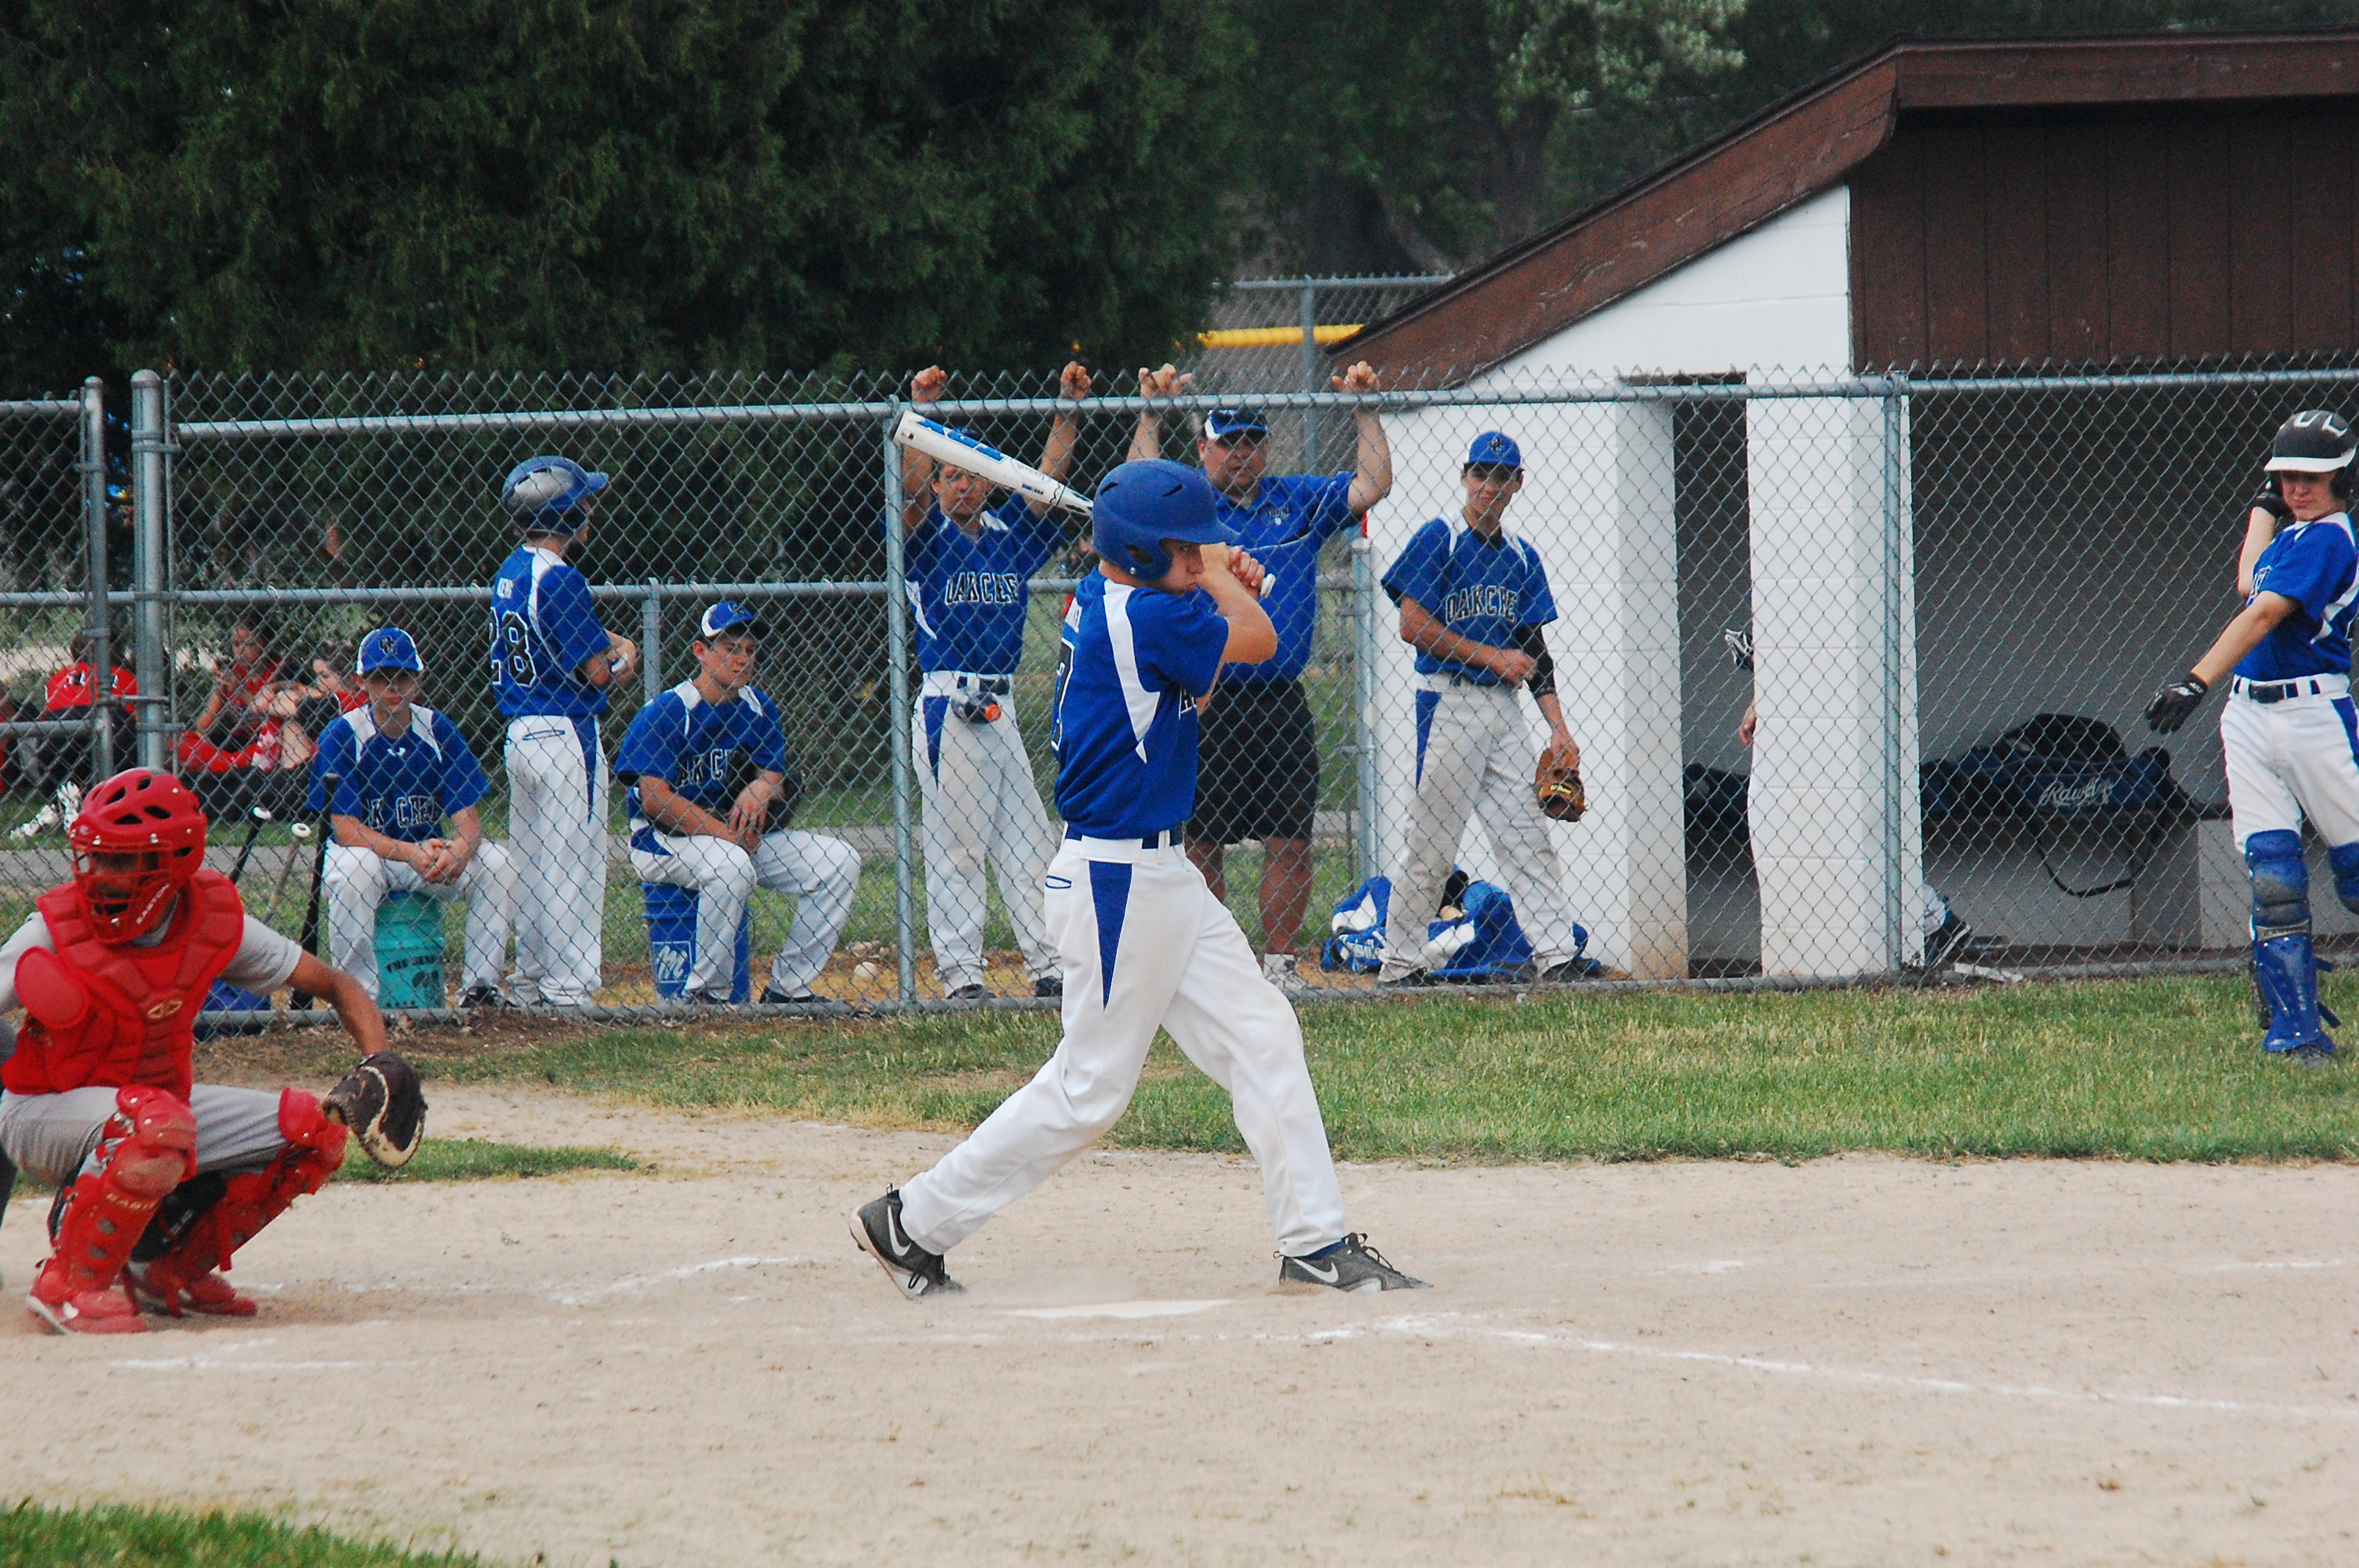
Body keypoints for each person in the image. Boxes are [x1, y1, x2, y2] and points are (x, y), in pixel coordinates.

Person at [849, 459, 1425, 1298]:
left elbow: (1199, 683)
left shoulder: (1111, 594)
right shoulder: (1149, 612)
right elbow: (1260, 641)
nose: (1197, 557)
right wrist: (1222, 578)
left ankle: (1314, 1241)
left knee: (1263, 1034)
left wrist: (1211, 577)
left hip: (1164, 877)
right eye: (1183, 548)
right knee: (1089, 1089)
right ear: (1142, 554)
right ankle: (912, 1220)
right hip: (1118, 881)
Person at [0, 768, 393, 1333]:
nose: (99, 875)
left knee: (312, 1131)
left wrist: (382, 1064)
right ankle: (70, 1285)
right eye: (95, 858)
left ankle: (165, 1270)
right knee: (156, 1123)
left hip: (153, 1112)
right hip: (45, 1114)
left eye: (119, 861)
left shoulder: (209, 919)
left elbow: (337, 985)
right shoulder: (55, 928)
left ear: (172, 863)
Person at [1129, 361, 1394, 991]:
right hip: (1207, 697)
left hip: (1280, 699)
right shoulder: (1191, 507)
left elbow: (1372, 485)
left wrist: (1365, 408)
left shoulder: (1295, 500)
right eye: (1228, 441)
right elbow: (1137, 492)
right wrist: (1150, 415)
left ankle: (1278, 966)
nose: (1241, 452)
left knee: (1290, 839)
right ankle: (1215, 969)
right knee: (1201, 843)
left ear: (1267, 447)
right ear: (1204, 449)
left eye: (1252, 440)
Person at [2146, 408, 2359, 1067]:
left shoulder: (2330, 541)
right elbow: (2249, 582)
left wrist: (2195, 681)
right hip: (2249, 714)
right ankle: (2296, 1032)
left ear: (2343, 480)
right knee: (2273, 875)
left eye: (2312, 478)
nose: (2298, 488)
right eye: (2287, 477)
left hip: (2314, 718)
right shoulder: (2295, 536)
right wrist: (2263, 509)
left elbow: (2263, 613)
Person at [898, 362, 1090, 1000]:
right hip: (948, 700)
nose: (963, 485)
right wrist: (923, 418)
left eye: (972, 475)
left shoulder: (1009, 536)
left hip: (1000, 703)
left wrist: (1066, 407)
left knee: (1029, 840)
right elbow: (911, 494)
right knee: (958, 846)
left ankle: (1049, 966)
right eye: (952, 475)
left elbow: (1047, 484)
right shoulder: (927, 538)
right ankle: (962, 975)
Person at [1375, 431, 1595, 987]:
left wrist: (1559, 728)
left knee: (1527, 835)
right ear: (1464, 477)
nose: (1489, 486)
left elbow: (1534, 650)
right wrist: (1492, 657)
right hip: (1448, 701)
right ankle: (1400, 964)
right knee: (1432, 843)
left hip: (1505, 710)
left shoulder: (1521, 556)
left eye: (1501, 476)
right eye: (1480, 474)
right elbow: (1412, 626)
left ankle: (1556, 955)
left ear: (1518, 483)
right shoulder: (1440, 538)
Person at [614, 601, 860, 1007]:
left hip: (735, 841)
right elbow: (655, 800)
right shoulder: (667, 712)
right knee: (731, 867)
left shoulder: (758, 708)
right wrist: (727, 837)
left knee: (839, 861)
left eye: (749, 650)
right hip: (662, 842)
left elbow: (775, 775)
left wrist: (762, 787)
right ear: (701, 652)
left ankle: (788, 989)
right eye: (730, 648)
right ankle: (706, 994)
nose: (743, 658)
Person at [489, 456, 638, 1007]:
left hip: (521, 733)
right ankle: (570, 989)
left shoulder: (512, 570)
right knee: (574, 863)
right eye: (583, 503)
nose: (590, 510)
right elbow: (598, 672)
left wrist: (610, 641)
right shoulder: (563, 577)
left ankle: (531, 983)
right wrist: (626, 659)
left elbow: (562, 633)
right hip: (565, 735)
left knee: (533, 865)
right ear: (565, 514)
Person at [311, 627, 518, 1008]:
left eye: (403, 675)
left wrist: (458, 852)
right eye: (381, 677)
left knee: (496, 862)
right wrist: (411, 852)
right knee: (355, 869)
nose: (393, 686)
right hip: (372, 856)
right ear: (361, 682)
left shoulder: (438, 730)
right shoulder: (343, 734)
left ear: (418, 678)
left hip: (427, 859)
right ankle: (356, 1000)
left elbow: (469, 822)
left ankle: (480, 990)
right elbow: (344, 829)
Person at [9, 629, 136, 839]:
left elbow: (49, 714)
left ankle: (60, 800)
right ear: (116, 651)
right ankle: (90, 802)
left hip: (58, 741)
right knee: (129, 737)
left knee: (36, 739)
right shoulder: (124, 676)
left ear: (74, 652)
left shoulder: (58, 678)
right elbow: (135, 720)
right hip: (113, 741)